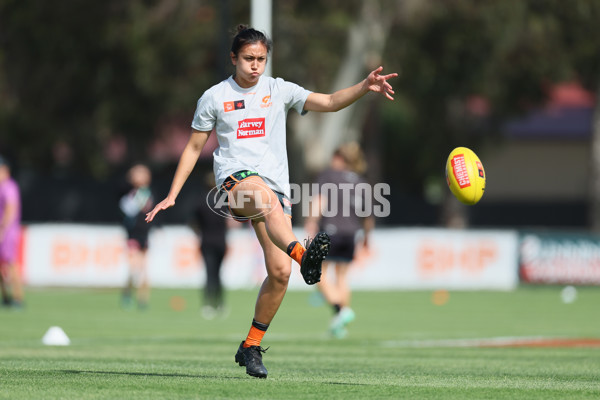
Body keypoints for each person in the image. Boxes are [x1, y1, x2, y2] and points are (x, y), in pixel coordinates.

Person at [145, 24, 397, 379]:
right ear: (233, 58)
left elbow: (327, 102)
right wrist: (171, 194)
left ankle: (250, 345)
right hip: (236, 183)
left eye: (261, 59)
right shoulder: (214, 97)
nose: (255, 66)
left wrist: (364, 86)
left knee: (279, 274)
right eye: (248, 58)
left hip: (277, 193)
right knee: (261, 196)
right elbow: (192, 147)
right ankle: (303, 255)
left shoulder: (279, 90)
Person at [305, 142, 374, 339]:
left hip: (330, 231)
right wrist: (367, 237)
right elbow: (368, 216)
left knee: (317, 272)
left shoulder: (328, 176)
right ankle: (339, 324)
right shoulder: (361, 182)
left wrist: (311, 223)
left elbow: (320, 201)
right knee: (342, 276)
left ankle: (340, 311)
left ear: (339, 158)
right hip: (352, 233)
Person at [192, 168, 228, 319]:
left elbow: (193, 223)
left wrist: (199, 233)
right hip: (221, 241)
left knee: (209, 273)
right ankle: (220, 303)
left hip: (206, 241)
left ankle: (208, 304)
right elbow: (230, 220)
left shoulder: (201, 201)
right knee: (218, 274)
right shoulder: (223, 201)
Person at [119, 164, 154, 310]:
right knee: (134, 269)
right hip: (132, 235)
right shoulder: (131, 195)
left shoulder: (149, 194)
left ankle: (143, 300)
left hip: (144, 235)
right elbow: (127, 211)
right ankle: (127, 292)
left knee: (144, 269)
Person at [0, 155, 24, 308]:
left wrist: (2, 228)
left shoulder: (9, 186)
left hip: (7, 232)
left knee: (11, 263)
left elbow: (11, 209)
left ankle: (17, 297)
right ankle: (6, 297)